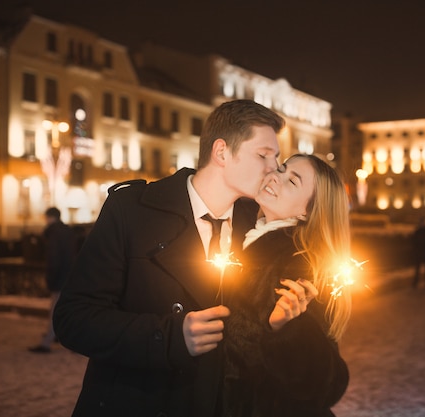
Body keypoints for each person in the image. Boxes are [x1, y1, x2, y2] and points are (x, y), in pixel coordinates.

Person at [53, 99, 284, 417]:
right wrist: (168, 337)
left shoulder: (258, 228)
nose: (274, 168)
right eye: (263, 155)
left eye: (277, 157)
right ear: (221, 152)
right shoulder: (133, 210)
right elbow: (73, 319)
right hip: (139, 403)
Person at [223, 154, 352, 417]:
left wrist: (286, 330)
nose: (275, 178)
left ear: (307, 210)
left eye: (292, 182)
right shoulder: (247, 235)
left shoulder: (301, 264)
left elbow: (324, 384)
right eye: (281, 169)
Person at [28, 207, 77, 353]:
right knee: (63, 309)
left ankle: (47, 342)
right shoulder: (68, 231)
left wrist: (51, 278)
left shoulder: (54, 233)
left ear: (49, 217)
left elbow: (53, 258)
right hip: (69, 275)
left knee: (55, 310)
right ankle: (56, 336)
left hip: (60, 276)